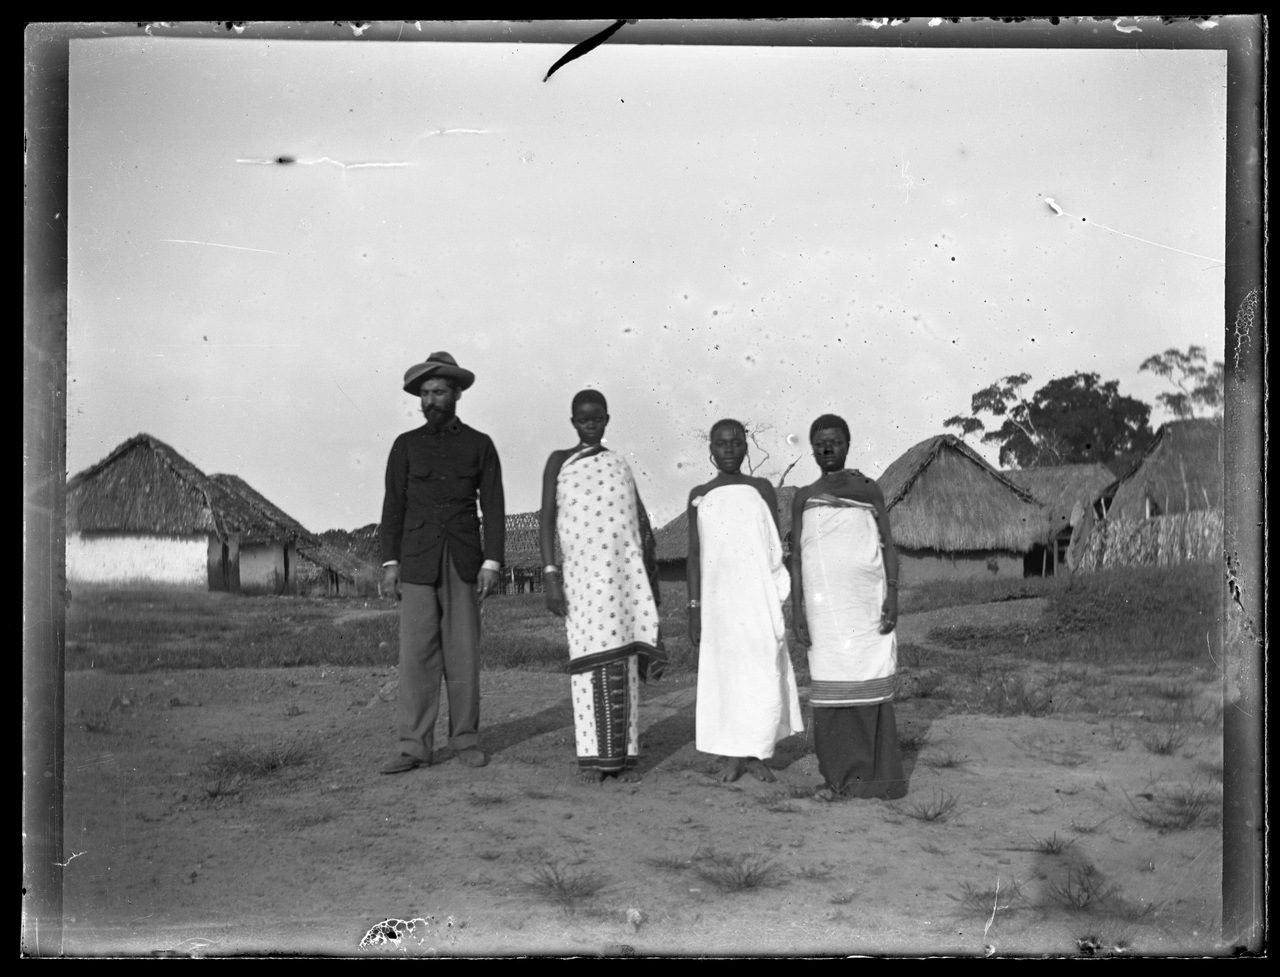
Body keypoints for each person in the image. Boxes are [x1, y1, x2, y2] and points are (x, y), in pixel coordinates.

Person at [378, 352, 504, 774]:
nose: (430, 400)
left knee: (463, 653)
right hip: (416, 561)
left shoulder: (480, 445)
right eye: (425, 394)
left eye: (439, 392)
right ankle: (414, 746)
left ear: (457, 394)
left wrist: (492, 562)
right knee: (416, 655)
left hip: (463, 559)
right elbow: (393, 507)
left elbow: (495, 508)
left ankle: (465, 739)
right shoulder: (406, 446)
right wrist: (390, 562)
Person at [539, 389, 665, 783]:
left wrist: (647, 582)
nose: (590, 425)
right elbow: (547, 521)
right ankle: (593, 759)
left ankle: (624, 759)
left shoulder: (619, 465)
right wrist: (550, 576)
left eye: (597, 419)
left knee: (623, 664)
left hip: (621, 585)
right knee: (587, 666)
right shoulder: (560, 463)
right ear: (573, 421)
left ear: (607, 420)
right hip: (581, 585)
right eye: (582, 420)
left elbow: (639, 527)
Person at [790, 413, 907, 801]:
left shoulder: (869, 490)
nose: (827, 448)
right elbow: (796, 559)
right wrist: (797, 610)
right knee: (831, 687)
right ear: (812, 449)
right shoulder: (804, 497)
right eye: (820, 442)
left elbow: (888, 545)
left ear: (847, 446)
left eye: (835, 441)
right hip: (825, 613)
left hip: (865, 605)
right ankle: (839, 778)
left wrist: (892, 594)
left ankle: (878, 778)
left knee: (868, 679)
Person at [687, 419, 804, 783]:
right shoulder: (701, 493)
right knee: (727, 676)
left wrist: (776, 593)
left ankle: (757, 753)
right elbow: (693, 554)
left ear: (746, 448)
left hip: (757, 598)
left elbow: (773, 544)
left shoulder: (761, 488)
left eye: (736, 443)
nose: (728, 450)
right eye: (721, 444)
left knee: (761, 671)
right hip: (719, 602)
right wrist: (694, 608)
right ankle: (733, 756)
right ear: (710, 450)